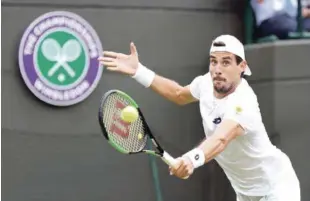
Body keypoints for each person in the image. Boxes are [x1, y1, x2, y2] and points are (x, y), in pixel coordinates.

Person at [98, 34, 300, 201]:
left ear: (242, 66)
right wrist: (138, 71)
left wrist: (190, 160)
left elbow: (221, 139)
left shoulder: (243, 102)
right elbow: (178, 94)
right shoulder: (205, 84)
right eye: (213, 62)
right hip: (245, 193)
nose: (217, 69)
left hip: (277, 188)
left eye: (226, 62)